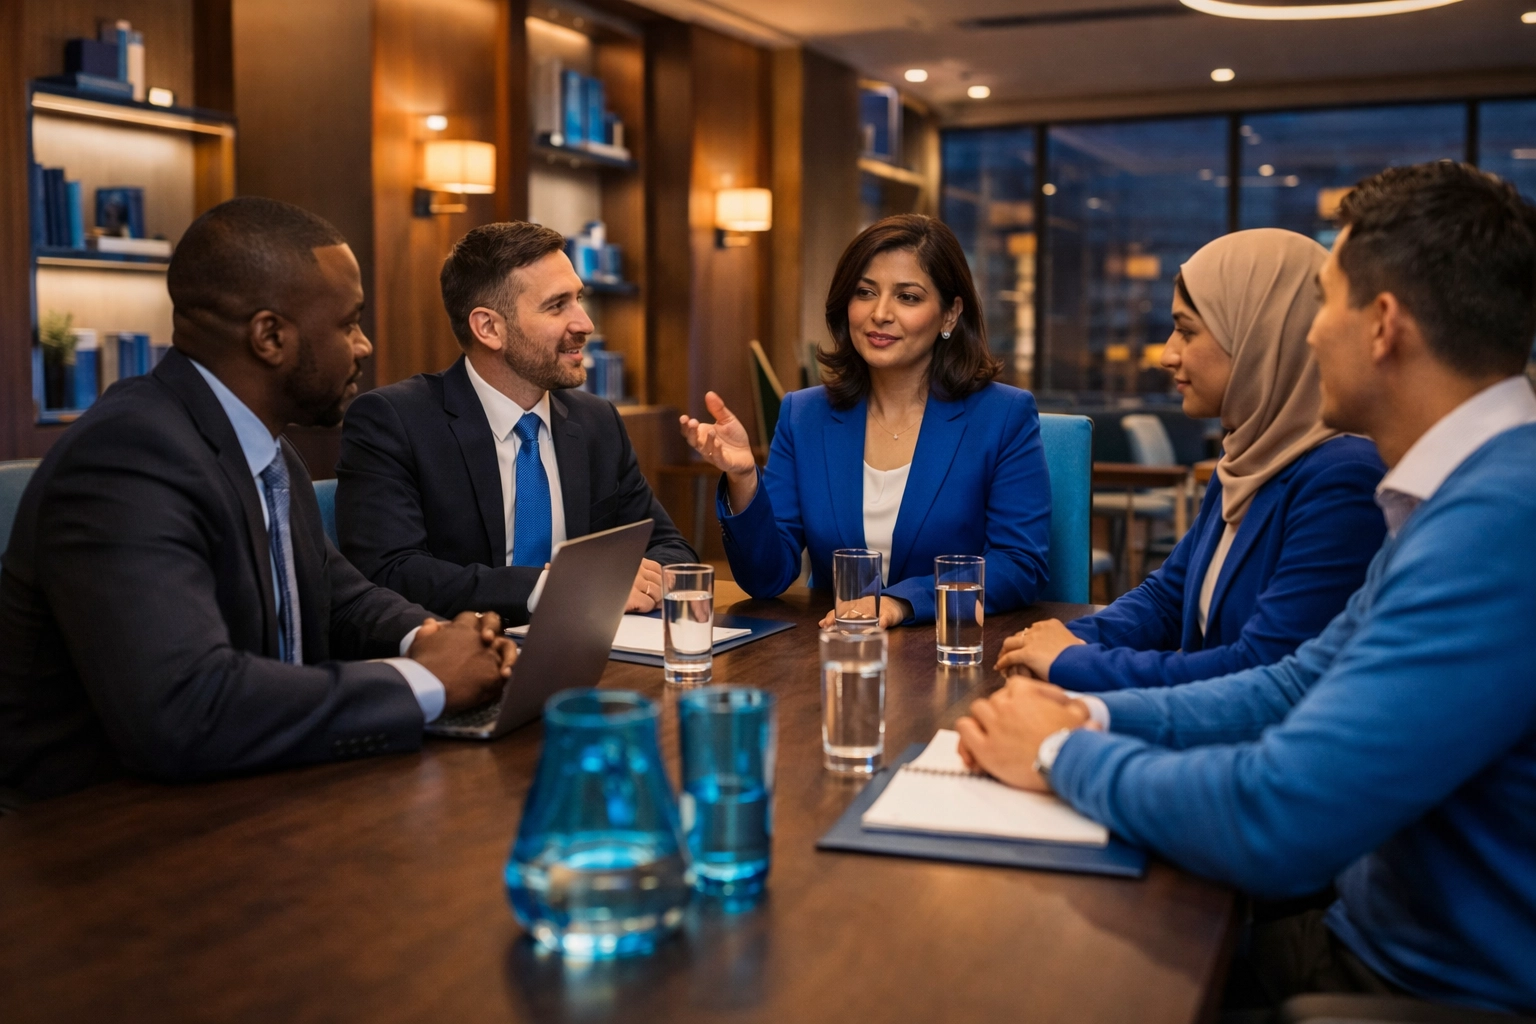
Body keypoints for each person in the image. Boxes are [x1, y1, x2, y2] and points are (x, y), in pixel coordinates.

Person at [956, 162, 1536, 1015]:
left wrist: (1057, 752)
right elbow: (1295, 684)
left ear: (1383, 325)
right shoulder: (1454, 493)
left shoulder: (1497, 523)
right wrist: (1092, 714)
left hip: (1409, 985)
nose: (1304, 335)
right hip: (1370, 937)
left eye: (1326, 302)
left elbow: (1277, 818)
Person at [0, 197, 517, 804]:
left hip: (256, 787)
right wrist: (423, 682)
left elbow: (340, 599)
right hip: (97, 834)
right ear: (270, 336)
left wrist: (430, 637)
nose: (365, 345)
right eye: (349, 322)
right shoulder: (126, 457)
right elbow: (186, 709)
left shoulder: (262, 444)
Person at [995, 229, 1386, 690]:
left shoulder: (1343, 479)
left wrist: (1071, 662)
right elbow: (1168, 597)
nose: (1167, 354)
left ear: (1257, 337)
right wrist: (1054, 642)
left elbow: (1258, 673)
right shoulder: (1248, 455)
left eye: (1186, 330)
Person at [680, 214, 1050, 626]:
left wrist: (901, 603)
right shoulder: (804, 416)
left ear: (949, 315)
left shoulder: (1003, 416)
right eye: (865, 292)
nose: (880, 313)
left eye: (908, 297)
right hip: (839, 652)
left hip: (951, 651)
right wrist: (745, 480)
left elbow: (1018, 566)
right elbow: (766, 578)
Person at [335, 222, 694, 627]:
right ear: (488, 327)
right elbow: (389, 573)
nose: (585, 324)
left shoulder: (597, 422)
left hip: (593, 655)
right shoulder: (393, 421)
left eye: (579, 299)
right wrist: (555, 587)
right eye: (557, 305)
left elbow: (669, 548)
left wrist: (638, 577)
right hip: (461, 662)